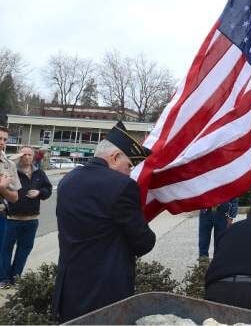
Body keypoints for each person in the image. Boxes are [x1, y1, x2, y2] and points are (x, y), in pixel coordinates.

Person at [52, 121, 156, 323]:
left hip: (69, 290)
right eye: (129, 166)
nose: (129, 172)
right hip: (105, 293)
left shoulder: (68, 180)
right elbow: (143, 242)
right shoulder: (122, 186)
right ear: (115, 157)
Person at [0, 146, 52, 288]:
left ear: (34, 157)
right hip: (12, 219)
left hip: (31, 220)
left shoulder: (39, 173)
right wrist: (16, 156)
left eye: (29, 155)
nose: (26, 157)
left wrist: (39, 192)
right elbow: (5, 161)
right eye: (23, 154)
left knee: (24, 250)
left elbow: (48, 190)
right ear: (19, 155)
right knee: (5, 250)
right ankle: (3, 279)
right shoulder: (11, 170)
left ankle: (15, 278)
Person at [0, 127, 20, 252]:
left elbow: (15, 197)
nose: (2, 142)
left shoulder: (10, 165)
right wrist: (1, 186)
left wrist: (2, 189)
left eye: (5, 139)